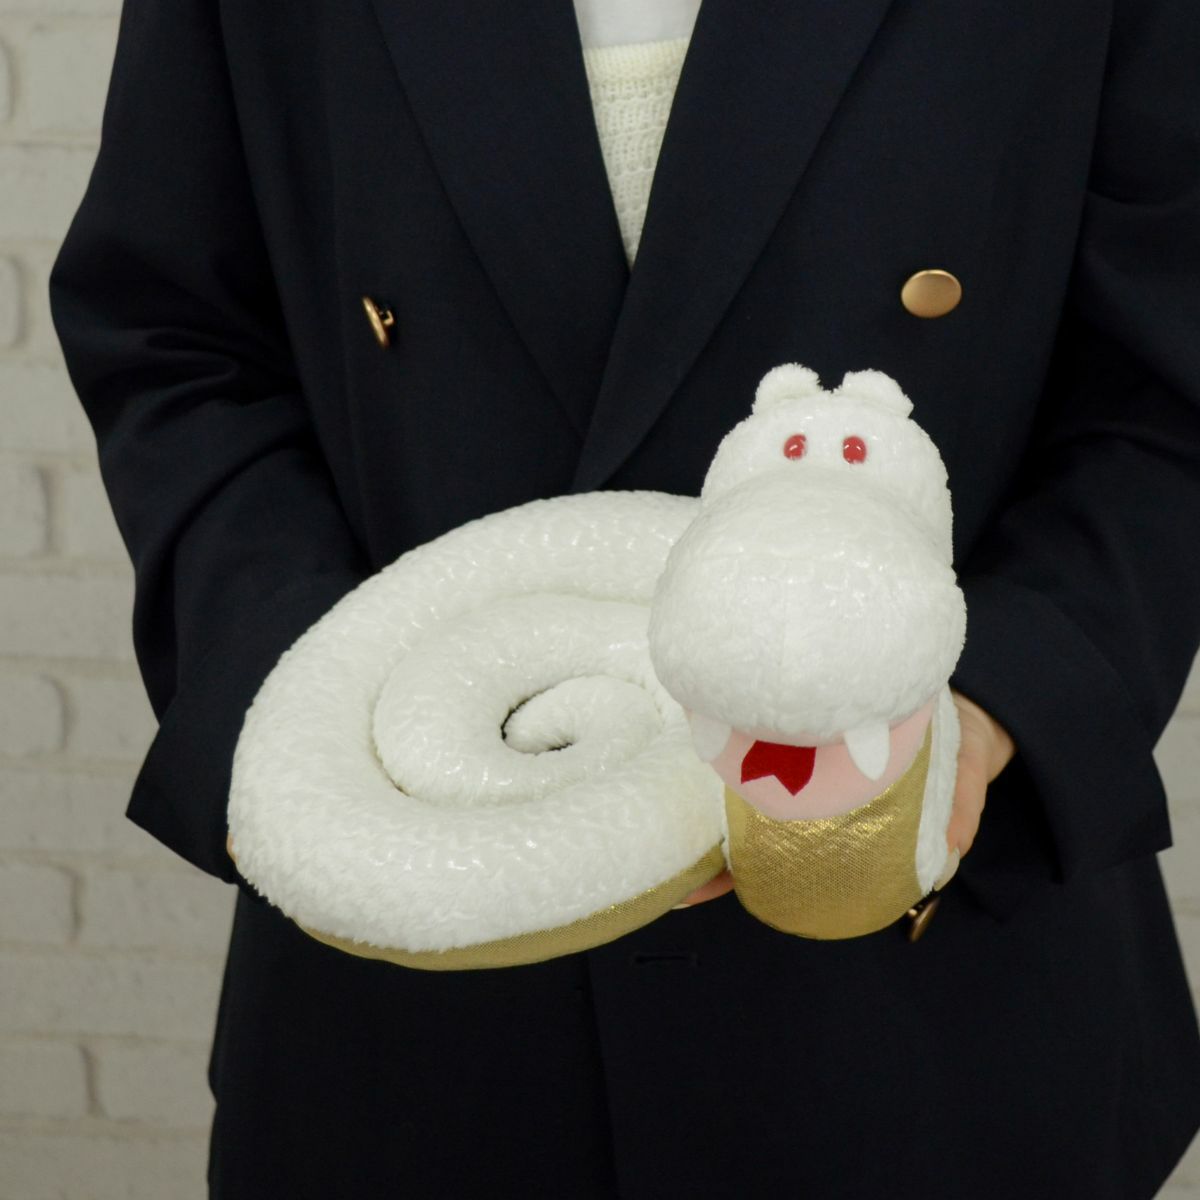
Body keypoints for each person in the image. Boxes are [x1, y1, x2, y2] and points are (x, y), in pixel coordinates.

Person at [47, 0, 1200, 1195]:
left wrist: (999, 701)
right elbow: (177, 333)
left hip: (926, 997)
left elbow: (1165, 381)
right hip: (427, 995)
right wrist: (308, 726)